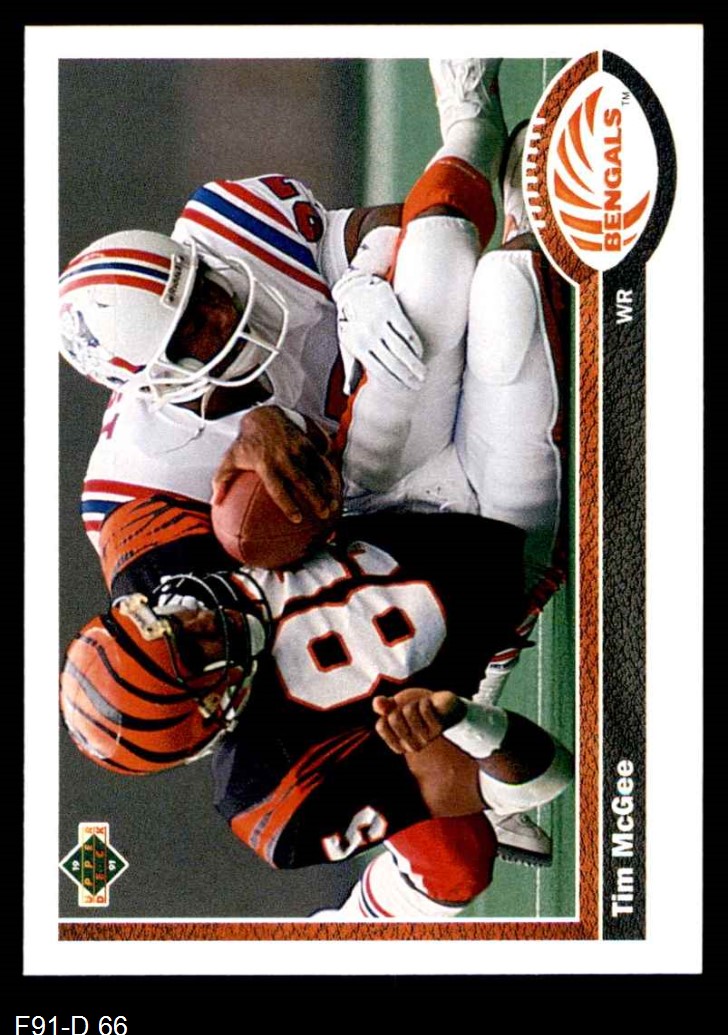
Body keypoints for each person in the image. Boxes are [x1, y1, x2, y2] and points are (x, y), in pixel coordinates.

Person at [59, 57, 571, 873]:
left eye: (201, 288)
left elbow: (377, 224)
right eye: (188, 333)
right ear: (146, 384)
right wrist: (451, 739)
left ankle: (471, 124)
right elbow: (231, 578)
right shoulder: (137, 484)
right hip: (359, 501)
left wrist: (362, 274)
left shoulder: (226, 222)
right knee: (507, 290)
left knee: (450, 256)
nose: (218, 317)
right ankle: (462, 734)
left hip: (392, 421)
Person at [61, 497, 573, 921]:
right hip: (377, 718)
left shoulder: (152, 554)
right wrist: (465, 731)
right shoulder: (271, 790)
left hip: (380, 528)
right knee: (457, 865)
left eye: (158, 616)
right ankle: (344, 935)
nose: (191, 616)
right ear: (211, 707)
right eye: (192, 648)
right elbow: (526, 772)